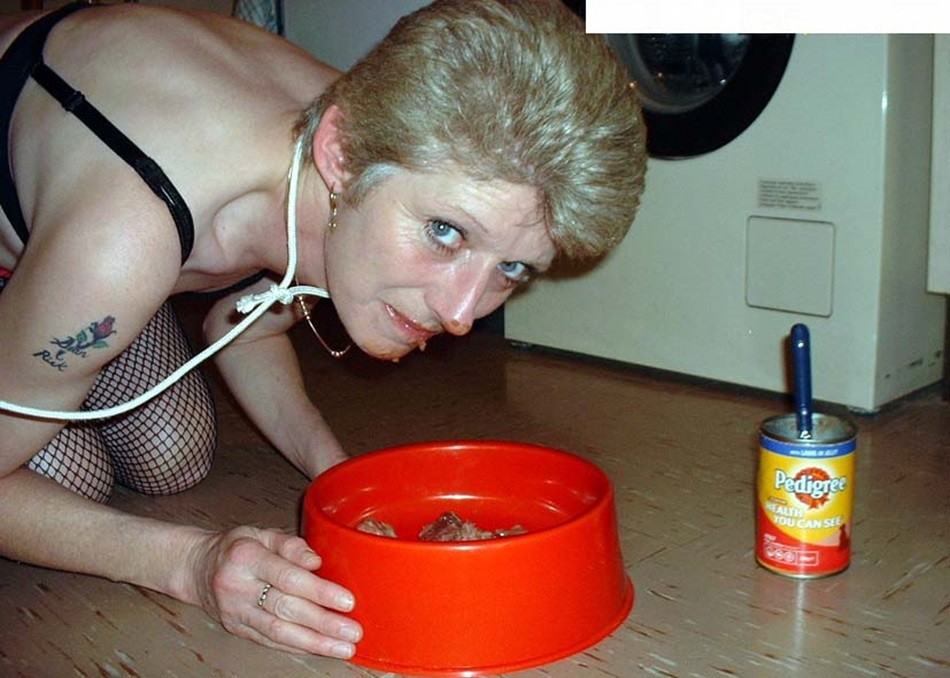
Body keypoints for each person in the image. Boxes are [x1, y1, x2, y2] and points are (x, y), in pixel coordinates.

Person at [0, 0, 646, 661]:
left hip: (115, 219)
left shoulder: (392, 133)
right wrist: (191, 563)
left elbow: (244, 321)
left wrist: (340, 481)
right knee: (73, 478)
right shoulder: (121, 244)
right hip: (87, 237)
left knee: (173, 455)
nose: (460, 313)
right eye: (445, 232)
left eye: (511, 268)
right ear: (338, 153)